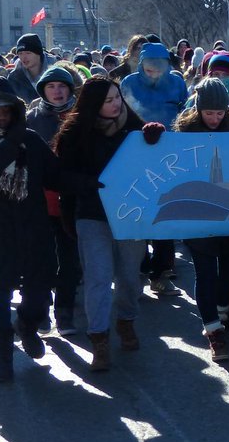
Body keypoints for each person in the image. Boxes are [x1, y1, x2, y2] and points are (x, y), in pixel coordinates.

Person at [0, 77, 84, 382]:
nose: (1, 117)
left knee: (38, 293)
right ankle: (2, 360)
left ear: (15, 111)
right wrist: (11, 143)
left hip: (32, 228)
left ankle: (27, 325)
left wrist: (90, 184)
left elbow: (54, 175)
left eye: (6, 112)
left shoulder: (31, 139)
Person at [53, 77, 155, 371]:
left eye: (117, 98)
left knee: (128, 276)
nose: (115, 105)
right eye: (107, 100)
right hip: (91, 213)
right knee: (98, 277)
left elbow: (159, 160)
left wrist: (155, 134)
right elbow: (63, 177)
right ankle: (98, 338)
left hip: (130, 215)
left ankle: (126, 320)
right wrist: (91, 185)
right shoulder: (74, 134)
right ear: (92, 104)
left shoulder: (134, 128)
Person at [172, 79, 229, 361]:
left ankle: (224, 304)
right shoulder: (184, 130)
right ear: (198, 109)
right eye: (209, 113)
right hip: (197, 209)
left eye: (219, 113)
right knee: (205, 272)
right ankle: (213, 331)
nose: (214, 119)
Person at [120, 42, 188, 296]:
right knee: (138, 214)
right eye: (149, 66)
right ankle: (137, 268)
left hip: (168, 154)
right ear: (141, 64)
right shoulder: (128, 83)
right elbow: (121, 114)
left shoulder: (177, 83)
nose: (154, 71)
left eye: (159, 66)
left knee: (165, 214)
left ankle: (161, 273)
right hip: (137, 152)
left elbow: (184, 111)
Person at [25, 65, 84, 335]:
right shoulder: (30, 119)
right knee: (41, 261)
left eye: (62, 86)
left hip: (71, 200)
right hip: (39, 201)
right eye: (51, 86)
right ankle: (42, 313)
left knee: (70, 262)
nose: (57, 91)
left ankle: (64, 314)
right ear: (43, 90)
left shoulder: (81, 117)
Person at [7, 33, 48, 104]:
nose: (24, 57)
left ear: (38, 53)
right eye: (20, 53)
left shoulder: (54, 74)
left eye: (28, 53)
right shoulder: (13, 78)